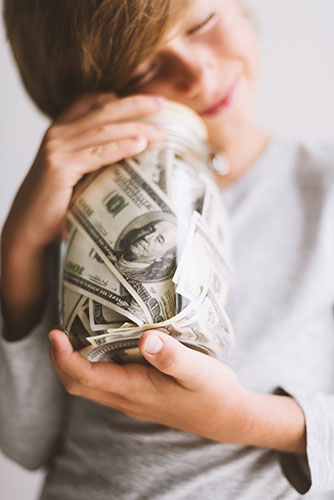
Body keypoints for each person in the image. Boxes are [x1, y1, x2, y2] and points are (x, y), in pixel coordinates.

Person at [0, 0, 333, 499]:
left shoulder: (322, 192)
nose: (197, 72)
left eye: (203, 22)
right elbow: (25, 442)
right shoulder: (83, 214)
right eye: (145, 68)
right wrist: (20, 248)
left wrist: (244, 419)